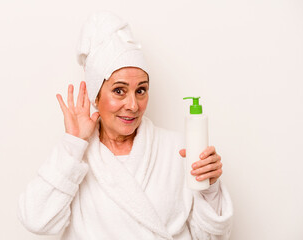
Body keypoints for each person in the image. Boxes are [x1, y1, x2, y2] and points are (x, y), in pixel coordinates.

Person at [17, 10, 233, 240]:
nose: (133, 105)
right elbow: (36, 220)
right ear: (95, 96)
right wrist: (73, 144)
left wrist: (210, 187)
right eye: (119, 91)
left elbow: (212, 237)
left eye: (141, 90)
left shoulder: (178, 149)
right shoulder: (76, 158)